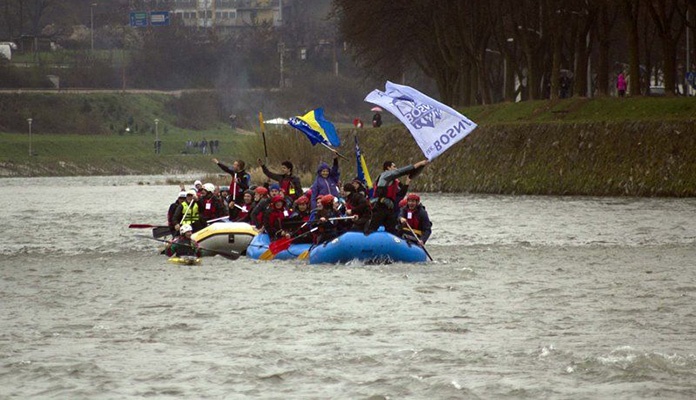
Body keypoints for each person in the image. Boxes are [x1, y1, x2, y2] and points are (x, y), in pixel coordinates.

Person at [366, 159, 429, 235]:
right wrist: (420, 163)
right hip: (380, 207)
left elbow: (400, 194)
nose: (396, 168)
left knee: (392, 229)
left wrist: (407, 182)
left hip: (389, 209)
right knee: (372, 228)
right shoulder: (385, 175)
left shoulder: (394, 182)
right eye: (394, 166)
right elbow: (401, 171)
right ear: (388, 168)